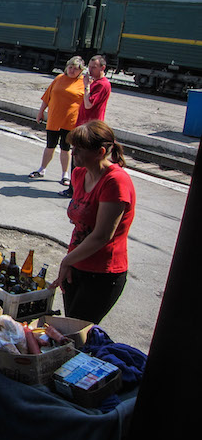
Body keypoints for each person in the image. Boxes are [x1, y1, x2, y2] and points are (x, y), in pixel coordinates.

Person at [50, 121, 136, 324]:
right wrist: (71, 261)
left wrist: (67, 260)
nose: (73, 153)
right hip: (76, 264)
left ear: (100, 152)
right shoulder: (79, 174)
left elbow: (102, 236)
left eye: (79, 150)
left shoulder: (115, 182)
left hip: (102, 273)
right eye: (72, 148)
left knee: (78, 332)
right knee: (69, 327)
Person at [29, 56, 85, 186]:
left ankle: (65, 175)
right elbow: (47, 97)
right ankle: (42, 169)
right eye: (70, 67)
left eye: (75, 69)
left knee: (65, 148)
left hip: (70, 121)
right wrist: (40, 112)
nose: (71, 70)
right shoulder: (59, 78)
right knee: (50, 145)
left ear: (81, 70)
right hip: (54, 119)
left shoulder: (83, 83)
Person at [60, 55, 112, 197]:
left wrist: (86, 86)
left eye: (94, 67)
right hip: (83, 124)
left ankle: (75, 190)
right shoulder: (95, 82)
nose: (90, 70)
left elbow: (89, 104)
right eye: (89, 66)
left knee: (81, 157)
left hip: (90, 127)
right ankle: (74, 188)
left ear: (103, 68)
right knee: (77, 156)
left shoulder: (102, 84)